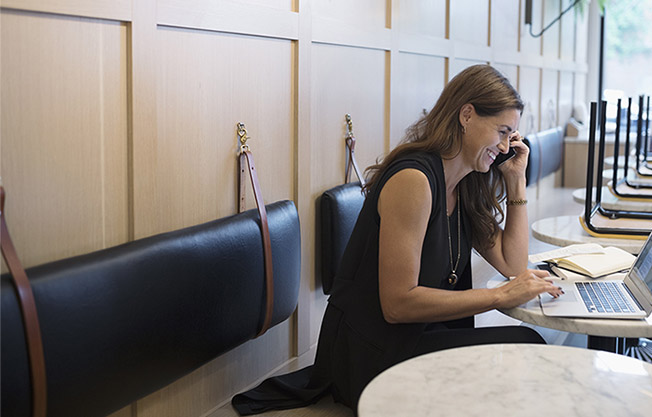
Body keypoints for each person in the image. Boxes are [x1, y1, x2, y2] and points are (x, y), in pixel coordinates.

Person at [232, 64, 564, 415]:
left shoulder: (465, 182)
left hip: (418, 337)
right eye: (502, 131)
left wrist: (516, 179)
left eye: (511, 136)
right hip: (373, 353)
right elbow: (397, 304)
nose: (504, 145)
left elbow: (512, 264)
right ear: (467, 114)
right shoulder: (414, 180)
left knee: (527, 348)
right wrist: (497, 296)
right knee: (527, 346)